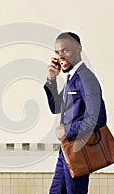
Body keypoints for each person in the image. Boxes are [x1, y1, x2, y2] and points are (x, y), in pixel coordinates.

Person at [43, 32, 107, 194]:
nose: (60, 56)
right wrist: (51, 80)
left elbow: (98, 118)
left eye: (66, 51)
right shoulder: (72, 78)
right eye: (57, 52)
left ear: (79, 49)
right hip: (66, 150)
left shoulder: (86, 78)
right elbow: (56, 108)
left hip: (79, 151)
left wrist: (66, 130)